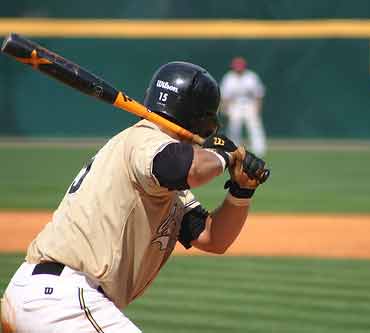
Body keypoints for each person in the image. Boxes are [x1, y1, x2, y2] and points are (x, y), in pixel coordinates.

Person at [0, 61, 266, 332]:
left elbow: (213, 238)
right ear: (202, 120)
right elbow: (188, 168)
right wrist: (225, 154)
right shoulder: (145, 140)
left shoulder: (162, 178)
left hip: (49, 299)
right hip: (61, 299)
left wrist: (241, 191)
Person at [220, 56, 267, 157]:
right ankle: (233, 148)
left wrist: (258, 107)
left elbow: (258, 94)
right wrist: (225, 108)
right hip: (235, 105)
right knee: (234, 128)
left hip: (250, 104)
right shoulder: (229, 77)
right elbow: (225, 96)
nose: (237, 69)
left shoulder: (251, 77)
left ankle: (259, 149)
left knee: (254, 126)